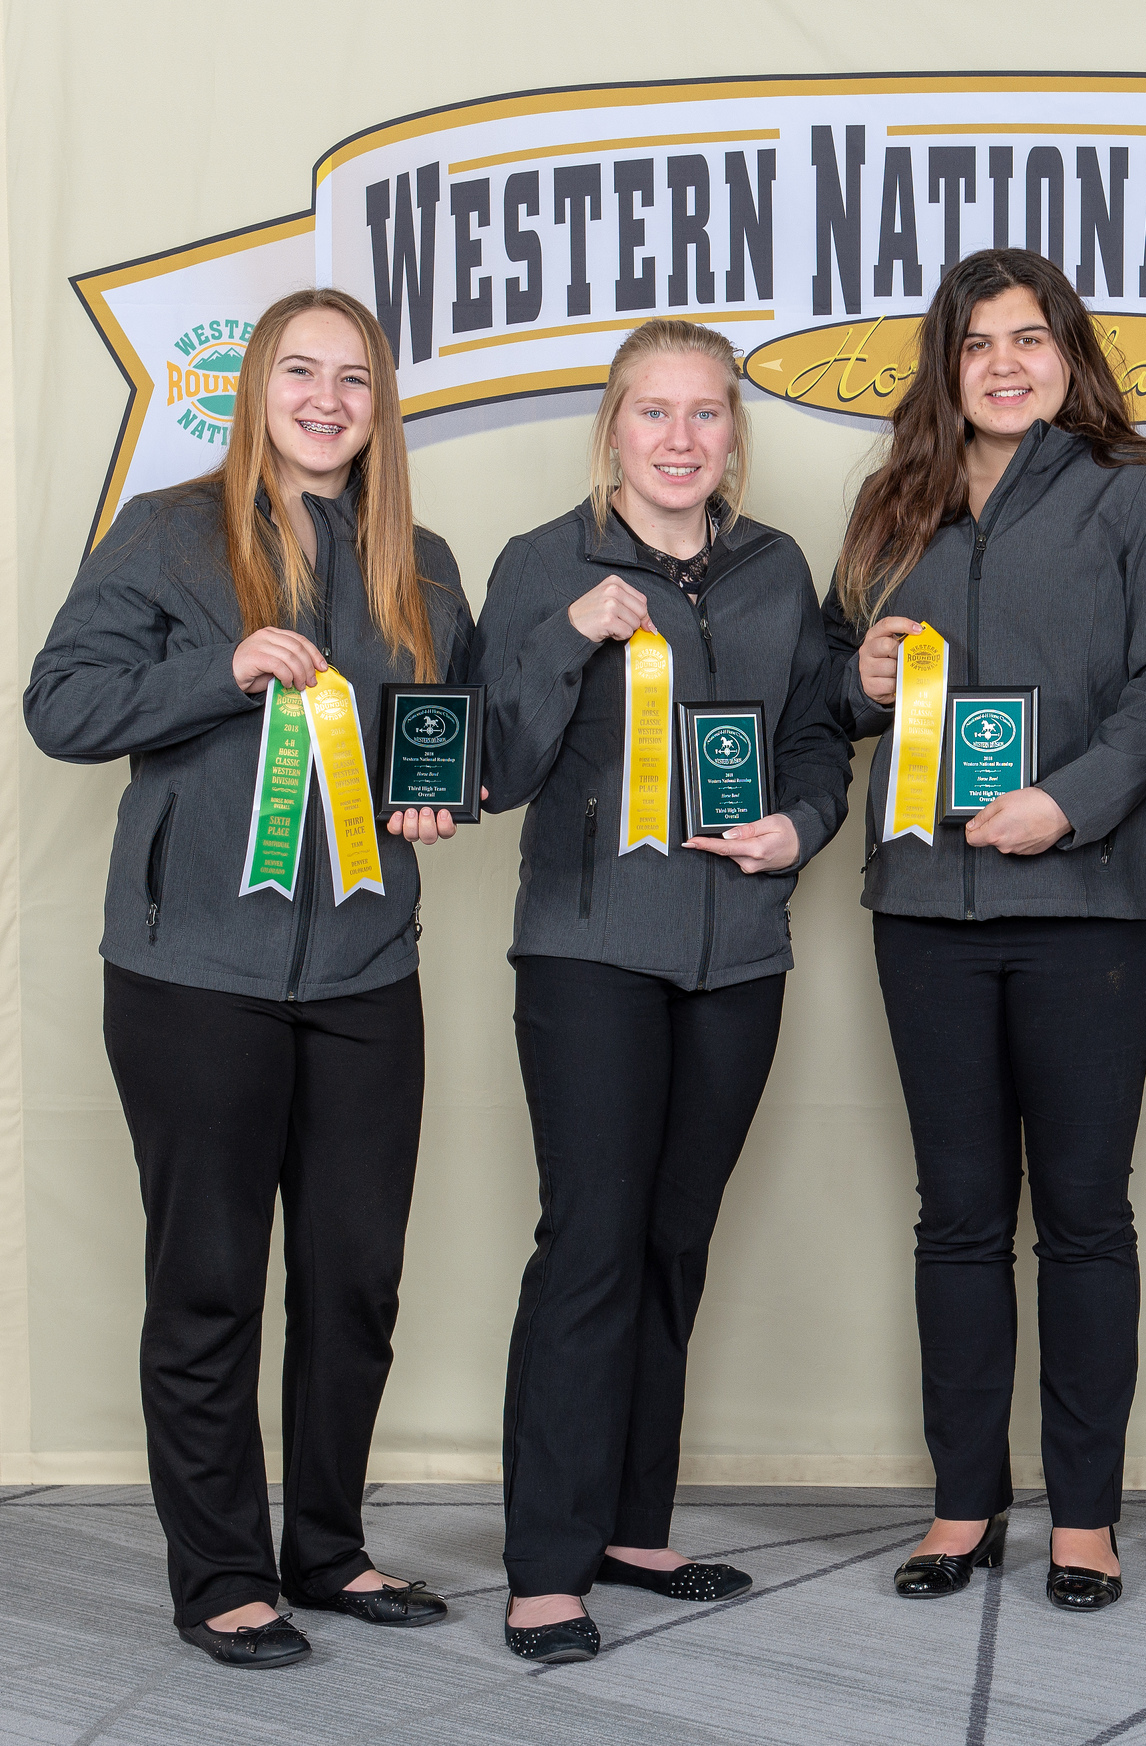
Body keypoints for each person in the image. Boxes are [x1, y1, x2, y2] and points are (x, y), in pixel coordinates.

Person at [23, 288, 474, 1667]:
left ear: (378, 404)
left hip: (361, 969)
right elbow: (61, 705)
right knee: (210, 1274)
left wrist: (431, 795)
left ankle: (327, 1548)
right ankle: (223, 1569)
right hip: (189, 971)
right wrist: (221, 671)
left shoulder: (426, 559)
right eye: (300, 371)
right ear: (255, 389)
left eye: (354, 377)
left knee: (356, 1277)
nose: (328, 398)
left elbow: (433, 736)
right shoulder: (167, 530)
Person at [823, 248, 1146, 1612]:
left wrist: (1072, 802)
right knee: (957, 1219)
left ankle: (1089, 1516)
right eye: (978, 340)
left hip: (1094, 907)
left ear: (1072, 353)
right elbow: (834, 687)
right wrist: (858, 676)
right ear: (947, 361)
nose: (1004, 362)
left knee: (1087, 1219)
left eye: (1031, 337)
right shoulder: (893, 506)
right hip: (926, 905)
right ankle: (962, 1502)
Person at [473, 318, 850, 1663]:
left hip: (737, 955)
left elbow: (815, 741)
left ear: (732, 435)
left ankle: (633, 1521)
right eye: (655, 413)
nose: (682, 438)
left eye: (707, 415)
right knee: (589, 1239)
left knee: (673, 1240)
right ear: (612, 429)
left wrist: (798, 829)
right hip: (588, 950)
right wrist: (570, 634)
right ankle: (543, 1562)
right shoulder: (541, 564)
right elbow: (490, 764)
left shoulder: (773, 568)